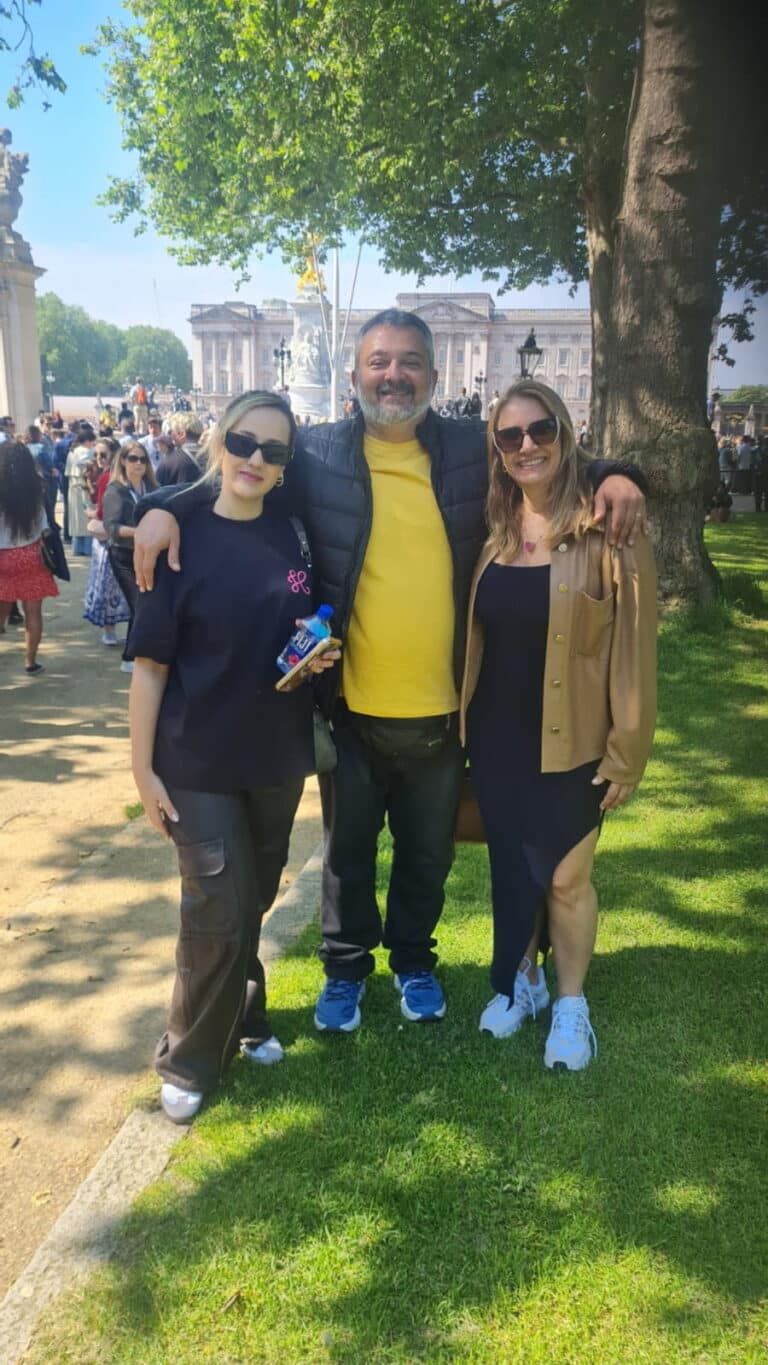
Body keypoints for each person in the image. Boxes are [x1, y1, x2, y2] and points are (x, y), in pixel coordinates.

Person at [133, 309, 647, 1035]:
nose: (393, 374)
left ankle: (413, 960)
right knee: (345, 856)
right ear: (354, 374)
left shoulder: (473, 449)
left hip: (443, 708)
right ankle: (344, 969)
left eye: (409, 362)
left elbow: (548, 455)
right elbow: (236, 479)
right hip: (350, 705)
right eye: (379, 361)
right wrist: (163, 506)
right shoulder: (314, 455)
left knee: (426, 855)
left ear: (434, 378)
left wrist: (621, 474)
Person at [127, 391, 337, 1123]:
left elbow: (297, 625)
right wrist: (142, 768)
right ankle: (186, 1056)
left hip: (275, 755)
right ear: (221, 440)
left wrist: (316, 652)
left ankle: (247, 1014)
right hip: (195, 757)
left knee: (252, 894)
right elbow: (151, 665)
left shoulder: (294, 535)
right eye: (246, 443)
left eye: (275, 451)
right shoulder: (178, 533)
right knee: (214, 902)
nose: (256, 460)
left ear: (286, 466)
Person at [460, 381, 656, 1069]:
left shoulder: (610, 528)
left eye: (539, 429)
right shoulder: (493, 526)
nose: (526, 446)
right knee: (515, 871)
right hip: (497, 737)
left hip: (574, 737)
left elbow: (634, 649)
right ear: (496, 451)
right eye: (509, 437)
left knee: (568, 876)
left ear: (564, 432)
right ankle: (528, 980)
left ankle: (572, 1004)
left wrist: (627, 751)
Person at [0, 441, 59, 672]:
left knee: (1, 610)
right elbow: (45, 528)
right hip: (31, 555)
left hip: (2, 556)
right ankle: (30, 661)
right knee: (33, 613)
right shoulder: (36, 489)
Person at [102, 441, 157, 672]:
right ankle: (130, 657)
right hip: (123, 555)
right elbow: (111, 527)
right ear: (123, 461)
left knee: (147, 602)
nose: (138, 464)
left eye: (143, 459)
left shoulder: (152, 487)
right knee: (139, 604)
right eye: (133, 458)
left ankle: (140, 653)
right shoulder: (116, 490)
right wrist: (140, 532)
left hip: (148, 553)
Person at [83, 439, 131, 645]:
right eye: (96, 455)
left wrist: (89, 513)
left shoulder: (107, 478)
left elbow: (102, 512)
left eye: (103, 455)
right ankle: (118, 632)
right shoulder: (125, 477)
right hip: (125, 538)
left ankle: (109, 632)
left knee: (106, 585)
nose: (99, 459)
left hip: (109, 539)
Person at [65, 425, 97, 555]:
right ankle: (88, 549)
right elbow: (88, 470)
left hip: (73, 488)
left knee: (76, 520)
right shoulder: (86, 451)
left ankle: (77, 549)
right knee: (87, 518)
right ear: (88, 441)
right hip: (84, 488)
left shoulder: (72, 451)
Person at [156, 413, 204, 485]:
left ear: (181, 434)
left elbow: (157, 491)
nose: (170, 436)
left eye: (171, 432)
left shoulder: (170, 462)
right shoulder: (216, 457)